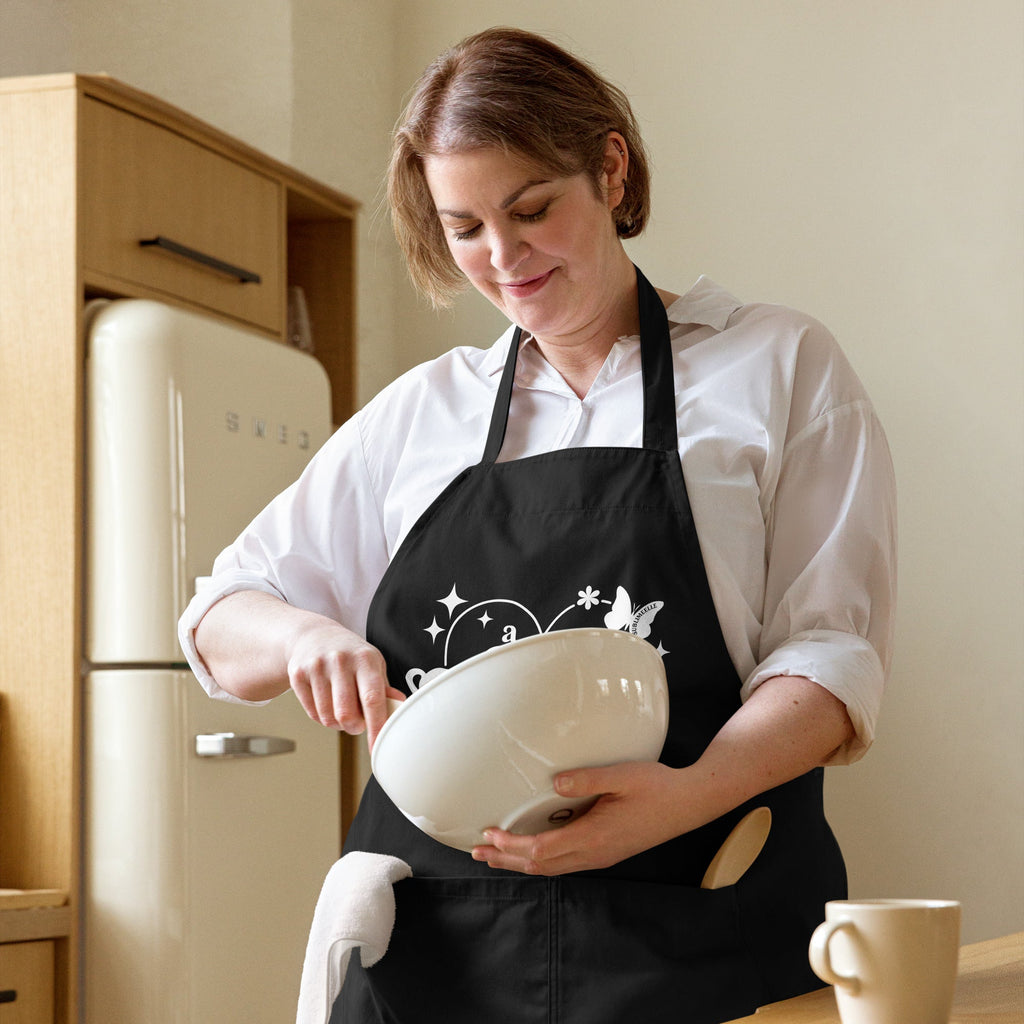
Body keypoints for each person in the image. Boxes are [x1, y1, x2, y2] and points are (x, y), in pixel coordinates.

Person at [178, 26, 896, 1024]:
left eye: (529, 210)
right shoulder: (418, 415)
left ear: (607, 167)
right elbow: (219, 619)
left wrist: (679, 799)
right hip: (439, 960)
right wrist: (302, 634)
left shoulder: (776, 366)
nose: (501, 259)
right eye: (464, 226)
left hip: (695, 930)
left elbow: (828, 659)